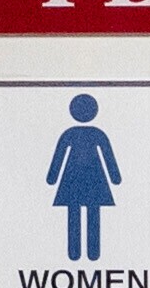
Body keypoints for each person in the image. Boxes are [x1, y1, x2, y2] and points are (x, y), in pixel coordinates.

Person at [47, 94, 121, 261]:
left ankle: (78, 253)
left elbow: (59, 157)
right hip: (92, 178)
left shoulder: (71, 134)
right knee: (88, 212)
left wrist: (52, 177)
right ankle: (87, 253)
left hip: (76, 179)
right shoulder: (95, 134)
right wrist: (115, 177)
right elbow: (108, 157)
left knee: (78, 213)